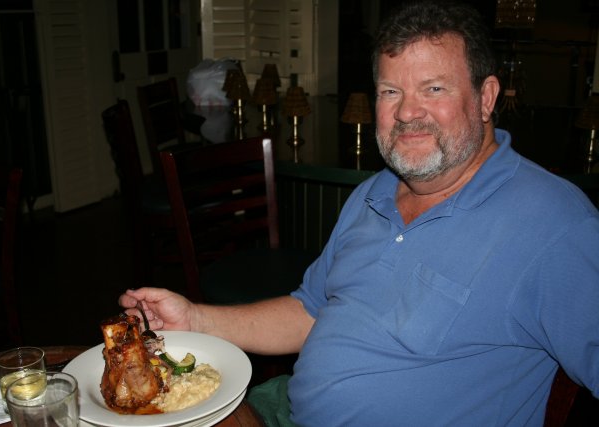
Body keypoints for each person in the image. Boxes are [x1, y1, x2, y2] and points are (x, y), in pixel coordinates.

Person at [119, 1, 599, 425]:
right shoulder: (375, 191)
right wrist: (196, 320)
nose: (407, 112)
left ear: (486, 97)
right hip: (281, 408)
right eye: (390, 92)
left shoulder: (555, 226)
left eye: (433, 89)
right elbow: (311, 310)